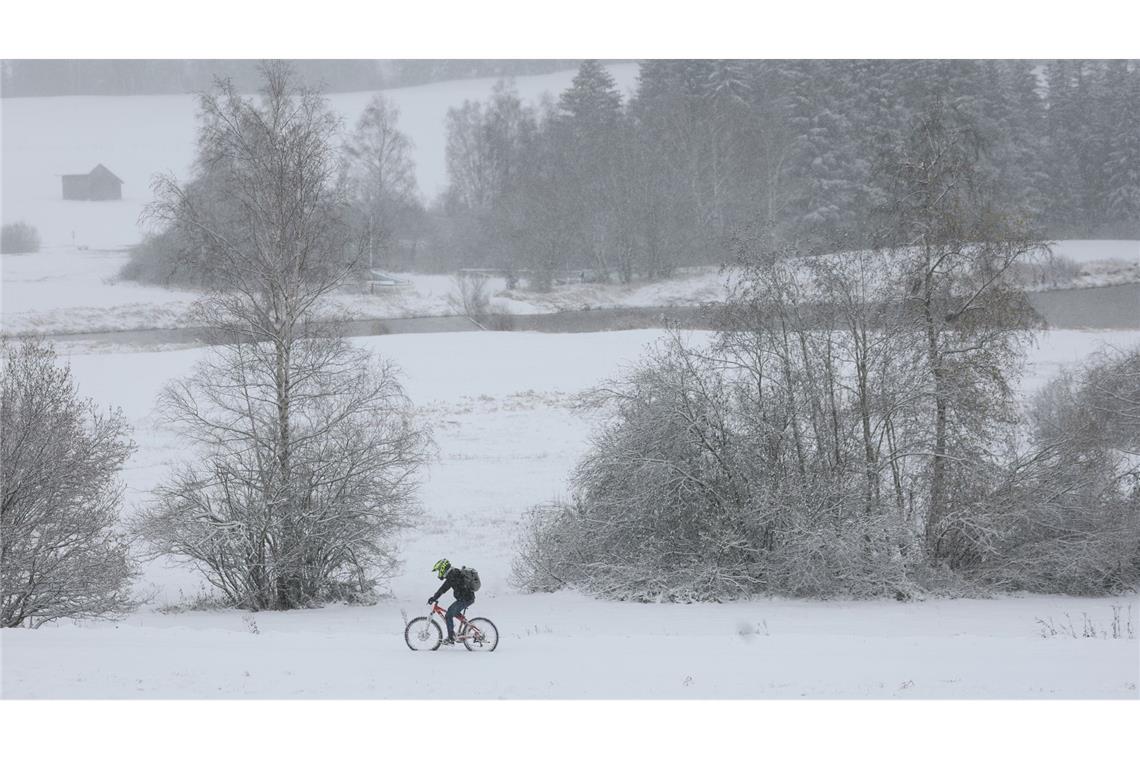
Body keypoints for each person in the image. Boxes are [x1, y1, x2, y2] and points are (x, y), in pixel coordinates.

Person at [428, 558, 475, 645]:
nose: (439, 573)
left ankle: (451, 638)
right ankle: (458, 632)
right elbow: (444, 588)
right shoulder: (453, 573)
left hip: (465, 599)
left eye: (439, 570)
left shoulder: (452, 575)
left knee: (448, 615)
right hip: (466, 598)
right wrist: (435, 597)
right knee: (454, 612)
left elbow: (443, 588)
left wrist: (434, 598)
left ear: (443, 568)